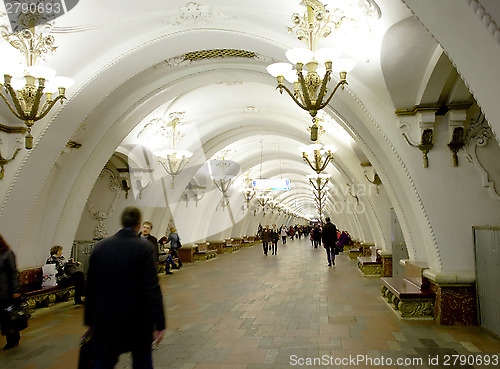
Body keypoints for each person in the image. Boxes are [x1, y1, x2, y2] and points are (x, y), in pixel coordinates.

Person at [85, 206, 165, 369]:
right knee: (142, 361)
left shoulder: (100, 247)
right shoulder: (144, 248)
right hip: (138, 319)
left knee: (104, 361)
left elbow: (91, 286)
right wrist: (160, 323)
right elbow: (152, 288)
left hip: (106, 318)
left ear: (122, 222)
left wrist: (90, 320)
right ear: (138, 225)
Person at [0, 235, 21, 350]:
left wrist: (15, 290)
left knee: (9, 315)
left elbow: (13, 273)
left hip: (6, 292)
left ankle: (12, 339)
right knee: (4, 316)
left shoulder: (8, 254)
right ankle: (13, 335)